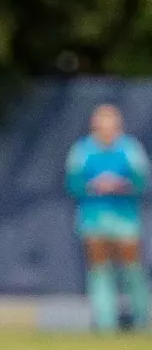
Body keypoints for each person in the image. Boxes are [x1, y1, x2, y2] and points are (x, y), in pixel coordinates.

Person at [66, 103, 149, 332]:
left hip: (125, 217)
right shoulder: (82, 150)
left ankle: (142, 319)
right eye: (102, 124)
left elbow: (142, 181)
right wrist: (94, 186)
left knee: (132, 268)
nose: (106, 129)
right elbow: (73, 184)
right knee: (100, 270)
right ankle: (105, 322)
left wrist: (122, 185)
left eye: (111, 124)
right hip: (93, 216)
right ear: (94, 126)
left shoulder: (131, 149)